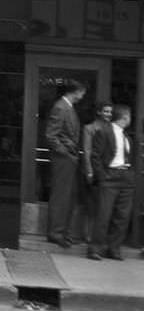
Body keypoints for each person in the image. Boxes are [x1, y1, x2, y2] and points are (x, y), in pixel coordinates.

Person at [82, 102, 134, 261]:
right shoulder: (104, 131)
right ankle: (95, 249)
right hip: (109, 176)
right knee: (103, 215)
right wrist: (102, 176)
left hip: (125, 177)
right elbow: (95, 155)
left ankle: (114, 248)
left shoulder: (127, 136)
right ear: (125, 117)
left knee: (122, 216)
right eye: (130, 117)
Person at [43, 79, 86, 248]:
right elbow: (50, 135)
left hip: (67, 158)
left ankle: (62, 232)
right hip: (63, 159)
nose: (82, 96)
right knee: (61, 196)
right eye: (82, 93)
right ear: (76, 91)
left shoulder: (66, 107)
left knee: (67, 196)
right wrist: (66, 153)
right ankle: (56, 233)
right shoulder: (61, 107)